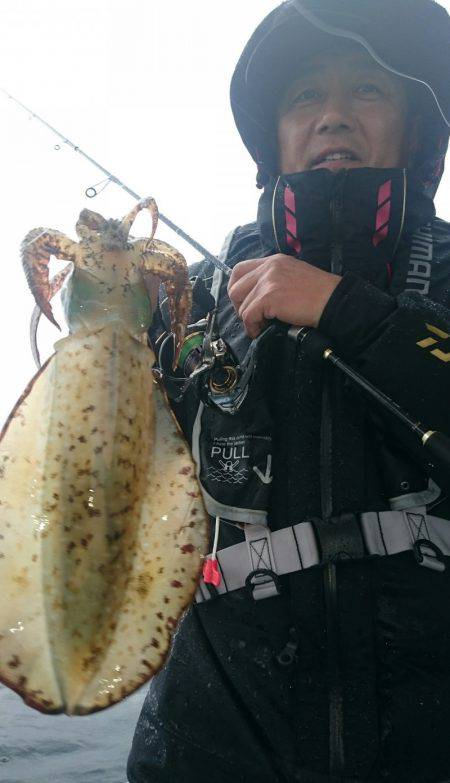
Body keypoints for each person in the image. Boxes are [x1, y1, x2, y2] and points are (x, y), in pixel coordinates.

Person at [127, 1, 450, 781]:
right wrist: (109, 337)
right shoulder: (192, 299)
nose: (334, 115)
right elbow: (110, 486)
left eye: (368, 91)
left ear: (415, 128)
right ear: (272, 139)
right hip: (213, 744)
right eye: (306, 96)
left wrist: (345, 309)